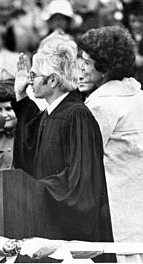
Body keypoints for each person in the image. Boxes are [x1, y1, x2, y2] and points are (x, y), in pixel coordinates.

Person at [12, 34, 115, 262]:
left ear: (52, 81)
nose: (31, 81)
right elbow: (29, 148)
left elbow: (81, 183)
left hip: (70, 236)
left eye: (34, 76)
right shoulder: (52, 113)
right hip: (49, 226)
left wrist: (38, 189)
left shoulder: (77, 115)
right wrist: (20, 95)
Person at [78, 25, 143, 262]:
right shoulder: (137, 95)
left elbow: (85, 163)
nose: (80, 67)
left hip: (119, 216)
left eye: (86, 62)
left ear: (104, 68)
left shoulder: (100, 105)